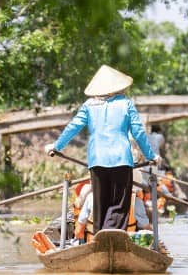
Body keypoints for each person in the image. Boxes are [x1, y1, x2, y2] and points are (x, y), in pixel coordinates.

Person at [44, 65, 160, 234]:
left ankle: (100, 236)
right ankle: (112, 236)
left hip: (97, 160)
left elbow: (73, 127)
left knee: (100, 205)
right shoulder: (126, 104)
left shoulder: (89, 105)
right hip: (121, 160)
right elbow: (139, 132)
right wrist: (151, 156)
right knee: (119, 206)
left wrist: (56, 146)